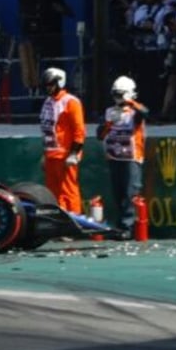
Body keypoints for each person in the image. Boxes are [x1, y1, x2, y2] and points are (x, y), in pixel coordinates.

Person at [0, 0, 74, 90]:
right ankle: (35, 95)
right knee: (31, 67)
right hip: (30, 34)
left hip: (50, 34)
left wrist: (59, 9)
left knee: (52, 66)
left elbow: (65, 9)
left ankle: (52, 94)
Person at [96, 76, 149, 240]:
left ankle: (128, 227)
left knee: (130, 193)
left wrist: (130, 102)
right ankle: (120, 227)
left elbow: (145, 112)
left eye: (121, 94)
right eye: (116, 94)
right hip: (114, 157)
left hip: (131, 158)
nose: (118, 98)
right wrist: (108, 124)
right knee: (118, 193)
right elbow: (99, 134)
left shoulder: (135, 112)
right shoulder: (109, 112)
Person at [39, 67, 85, 213]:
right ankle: (57, 223)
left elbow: (79, 131)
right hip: (51, 155)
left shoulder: (71, 102)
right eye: (46, 85)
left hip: (65, 155)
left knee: (68, 191)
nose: (48, 88)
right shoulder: (47, 102)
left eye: (51, 84)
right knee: (52, 192)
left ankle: (73, 224)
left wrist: (74, 153)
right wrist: (44, 154)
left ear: (60, 83)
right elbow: (46, 130)